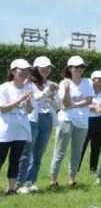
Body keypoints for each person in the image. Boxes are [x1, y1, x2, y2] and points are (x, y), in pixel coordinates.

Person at [49, 56, 94, 189]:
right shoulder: (64, 83)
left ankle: (72, 179)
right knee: (59, 151)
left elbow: (89, 100)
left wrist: (73, 105)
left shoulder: (87, 82)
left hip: (82, 122)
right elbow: (65, 103)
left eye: (82, 66)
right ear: (70, 68)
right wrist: (67, 89)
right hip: (66, 119)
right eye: (76, 66)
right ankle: (53, 180)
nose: (80, 69)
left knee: (77, 152)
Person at [16, 56, 59, 193]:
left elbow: (58, 105)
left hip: (47, 117)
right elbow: (36, 99)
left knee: (39, 152)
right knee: (27, 151)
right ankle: (20, 183)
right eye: (42, 67)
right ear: (36, 68)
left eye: (48, 67)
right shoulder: (28, 83)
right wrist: (48, 91)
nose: (46, 70)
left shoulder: (50, 83)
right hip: (32, 118)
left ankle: (31, 182)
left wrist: (52, 97)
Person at [0, 59, 34, 195]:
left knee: (15, 160)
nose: (25, 72)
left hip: (21, 131)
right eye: (22, 70)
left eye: (27, 70)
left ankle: (10, 189)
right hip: (5, 131)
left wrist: (28, 102)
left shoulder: (29, 89)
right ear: (13, 71)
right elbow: (3, 108)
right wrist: (20, 99)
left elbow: (30, 111)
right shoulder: (4, 88)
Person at [83, 70, 101, 175]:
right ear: (93, 80)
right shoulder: (86, 92)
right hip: (86, 119)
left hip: (98, 121)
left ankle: (93, 169)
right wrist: (94, 106)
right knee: (82, 144)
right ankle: (76, 168)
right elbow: (82, 105)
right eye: (99, 79)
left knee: (96, 146)